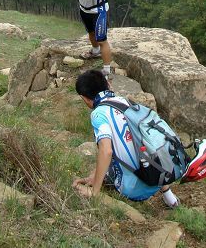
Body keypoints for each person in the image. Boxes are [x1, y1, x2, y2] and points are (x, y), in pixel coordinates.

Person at [71, 69, 180, 207]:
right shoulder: (125, 102)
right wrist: (94, 175)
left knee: (105, 151)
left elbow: (107, 151)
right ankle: (170, 197)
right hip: (159, 175)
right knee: (144, 143)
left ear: (84, 98)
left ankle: (101, 187)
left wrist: (95, 191)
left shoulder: (99, 114)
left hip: (135, 189)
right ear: (108, 85)